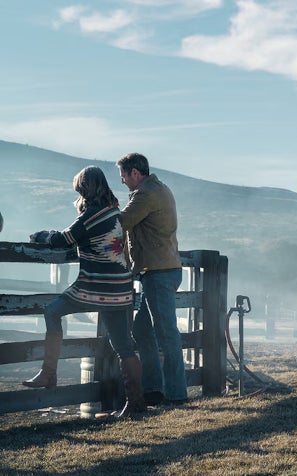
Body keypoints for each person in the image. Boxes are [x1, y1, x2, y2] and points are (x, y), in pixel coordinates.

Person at [25, 166, 146, 417]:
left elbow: (63, 239)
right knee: (123, 346)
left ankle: (49, 373)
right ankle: (136, 403)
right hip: (120, 288)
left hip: (96, 284)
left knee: (52, 312)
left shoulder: (92, 215)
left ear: (84, 189)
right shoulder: (113, 213)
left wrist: (40, 235)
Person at [117, 153, 186, 405]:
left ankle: (176, 394)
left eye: (123, 175)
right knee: (143, 330)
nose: (122, 181)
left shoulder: (145, 195)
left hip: (158, 272)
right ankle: (154, 389)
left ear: (135, 173)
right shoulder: (160, 189)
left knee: (166, 333)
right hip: (160, 269)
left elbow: (122, 222)